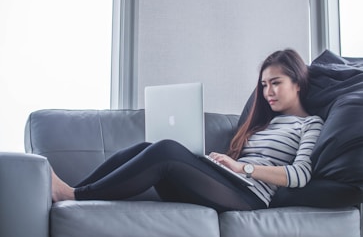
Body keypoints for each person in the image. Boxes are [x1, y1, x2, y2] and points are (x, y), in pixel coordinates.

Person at [52, 49, 324, 212]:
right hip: (228, 183)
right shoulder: (265, 123)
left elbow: (300, 175)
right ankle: (75, 191)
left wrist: (243, 169)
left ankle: (74, 195)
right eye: (263, 85)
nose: (267, 92)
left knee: (166, 150)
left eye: (275, 83)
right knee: (148, 148)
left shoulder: (310, 124)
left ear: (297, 83)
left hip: (250, 197)